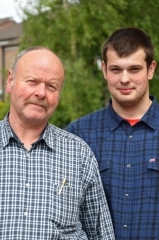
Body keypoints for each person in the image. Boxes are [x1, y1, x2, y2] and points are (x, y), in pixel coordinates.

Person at [0, 46, 115, 239]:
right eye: (32, 81)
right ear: (10, 81)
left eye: (51, 86)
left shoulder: (79, 154)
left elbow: (100, 233)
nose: (41, 93)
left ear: (59, 95)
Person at [66, 27, 159, 239]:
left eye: (134, 69)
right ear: (105, 70)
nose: (124, 79)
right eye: (116, 70)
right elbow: (65, 211)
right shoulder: (78, 134)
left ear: (150, 69)